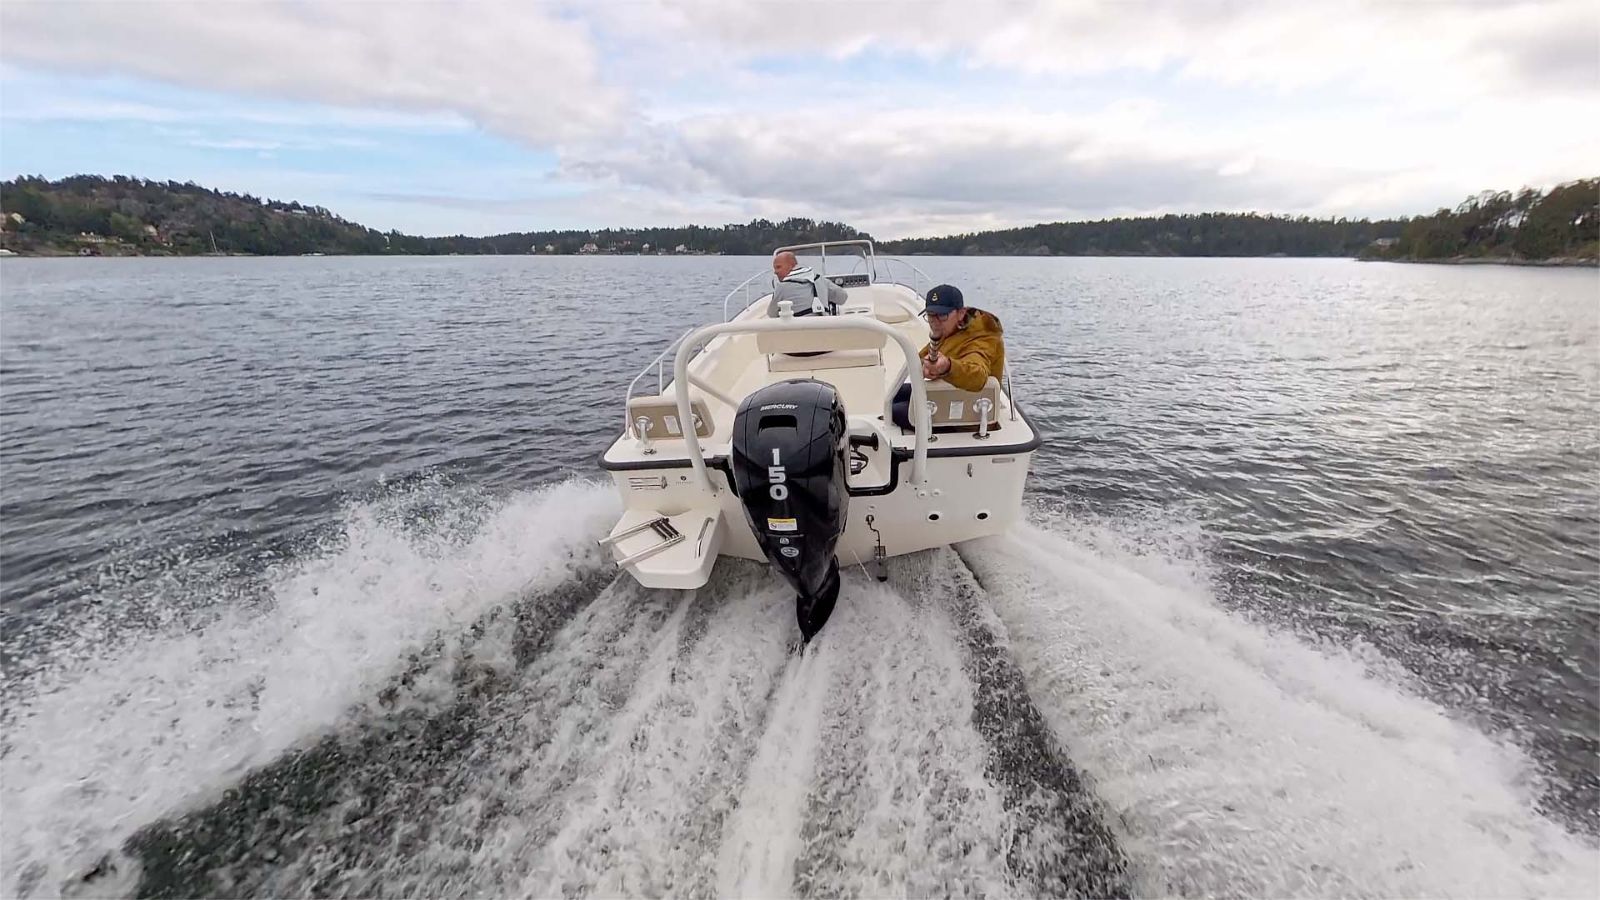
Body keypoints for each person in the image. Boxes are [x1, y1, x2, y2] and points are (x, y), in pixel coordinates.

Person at [891, 284, 1006, 429]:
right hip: (951, 392)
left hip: (967, 412)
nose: (935, 322)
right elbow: (924, 356)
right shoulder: (950, 330)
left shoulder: (981, 338)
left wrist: (946, 367)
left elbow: (977, 375)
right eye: (931, 315)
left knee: (894, 411)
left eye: (942, 315)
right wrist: (925, 366)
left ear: (961, 313)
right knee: (896, 393)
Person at [767, 250, 848, 317]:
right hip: (823, 330)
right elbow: (842, 298)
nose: (775, 272)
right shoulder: (819, 279)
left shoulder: (781, 287)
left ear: (791, 265)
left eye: (778, 267)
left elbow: (771, 314)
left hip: (797, 333)